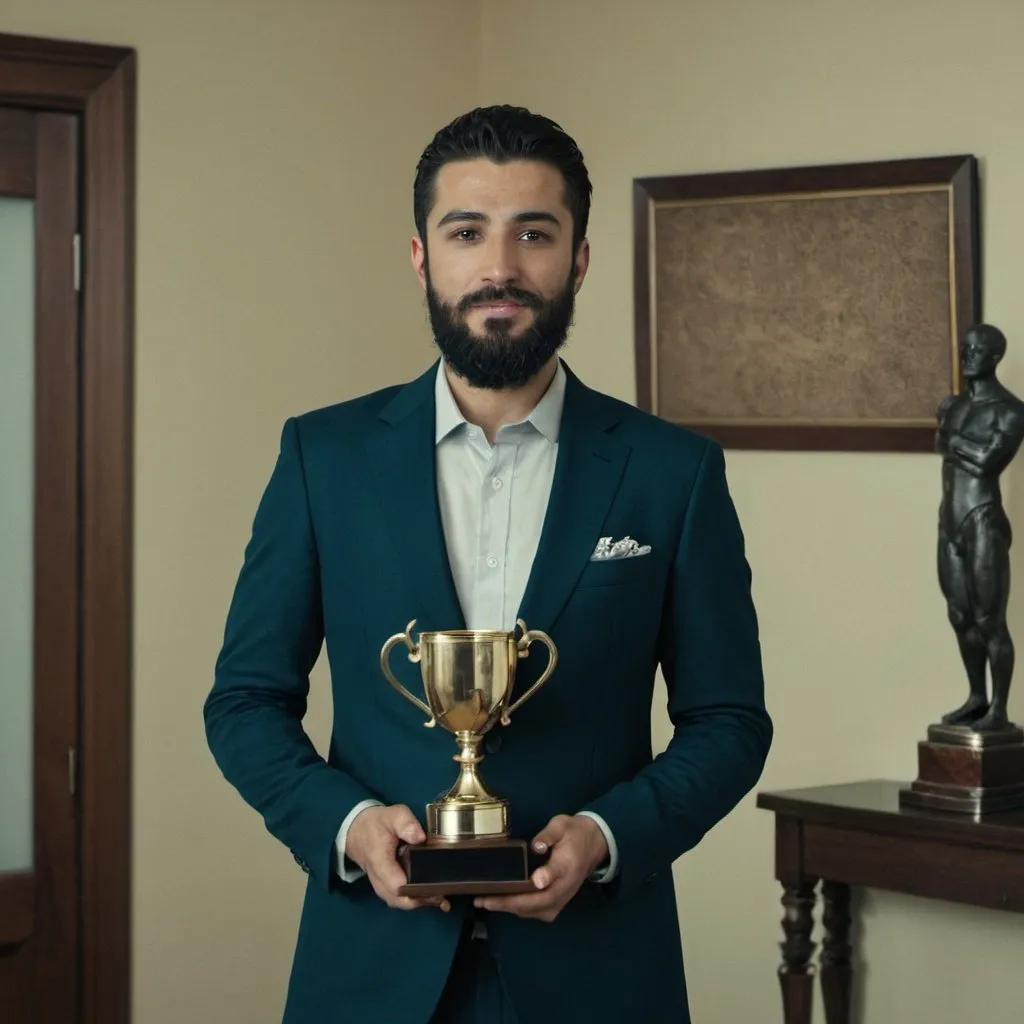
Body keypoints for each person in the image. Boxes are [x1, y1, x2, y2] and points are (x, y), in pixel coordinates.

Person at [204, 105, 772, 1024]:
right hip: (368, 975)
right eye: (467, 232)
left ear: (578, 258)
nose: (499, 267)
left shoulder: (673, 473)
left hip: (597, 973)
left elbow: (729, 721)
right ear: (423, 256)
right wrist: (347, 827)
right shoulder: (324, 458)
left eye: (533, 234)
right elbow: (243, 703)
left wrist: (607, 837)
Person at [936, 323, 1024, 732]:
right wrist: (962, 443)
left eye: (976, 351)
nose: (968, 356)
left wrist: (952, 440)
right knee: (959, 614)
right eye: (965, 349)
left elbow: (989, 463)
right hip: (950, 518)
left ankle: (999, 708)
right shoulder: (956, 405)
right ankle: (976, 697)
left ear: (995, 358)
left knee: (989, 618)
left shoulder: (1010, 410)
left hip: (983, 518)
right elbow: (966, 452)